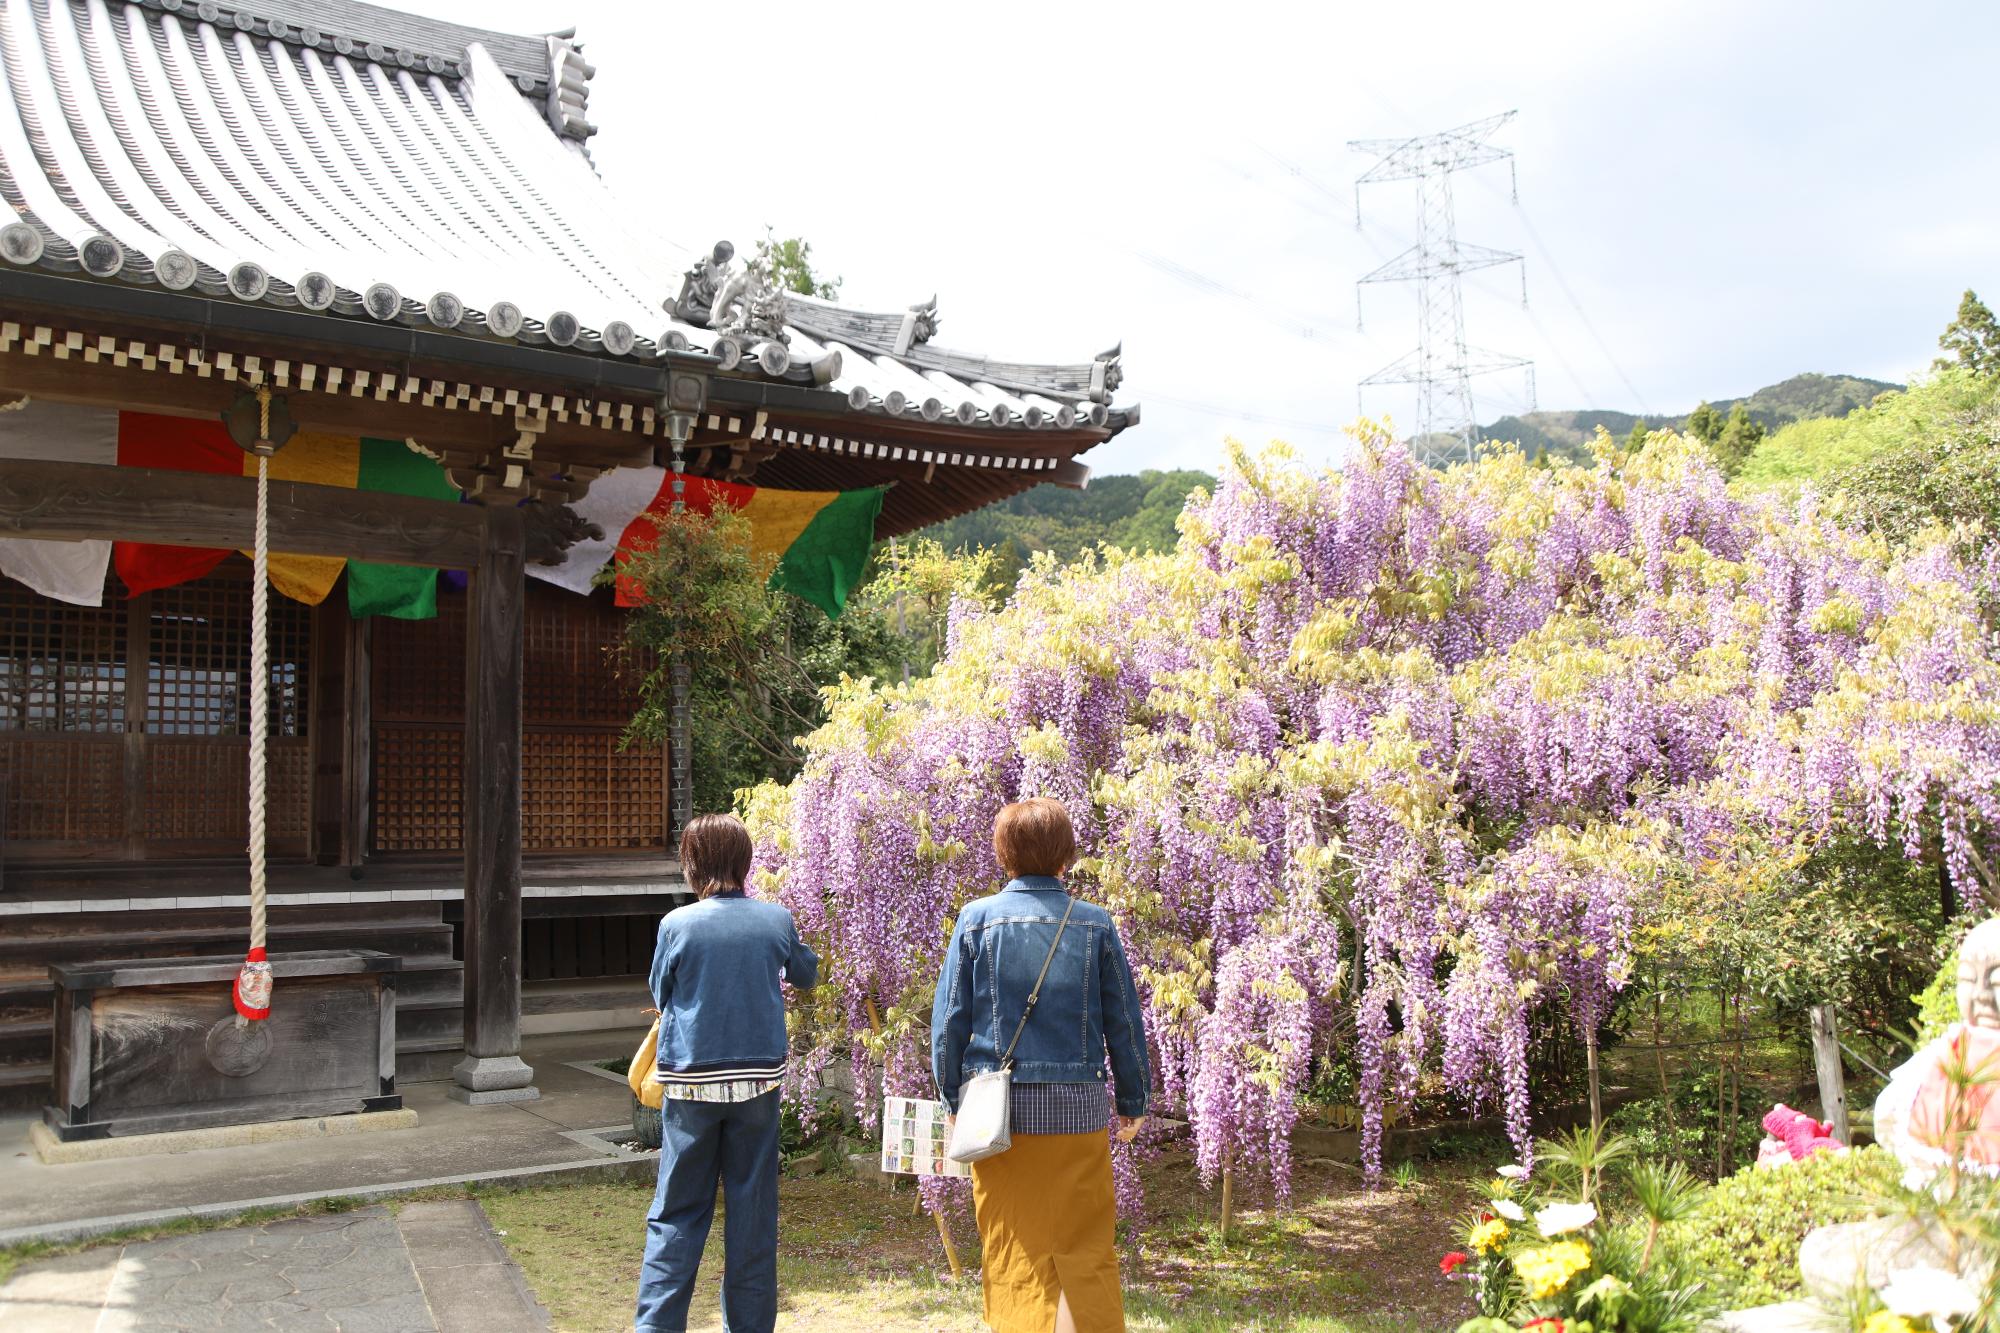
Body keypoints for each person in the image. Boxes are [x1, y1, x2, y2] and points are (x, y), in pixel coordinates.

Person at [931, 797, 1151, 1333]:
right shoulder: (1094, 924)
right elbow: (1123, 1020)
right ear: (1065, 856)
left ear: (1004, 854)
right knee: (1083, 1243)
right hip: (1075, 1113)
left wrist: (951, 1097)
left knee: (1012, 1244)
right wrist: (1132, 1102)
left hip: (997, 1118)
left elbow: (949, 1022)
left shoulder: (975, 920)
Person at [636, 813, 818, 1333]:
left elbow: (660, 992)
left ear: (692, 865)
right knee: (752, 1209)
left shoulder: (676, 925)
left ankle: (656, 1327)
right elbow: (807, 975)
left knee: (676, 1212)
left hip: (690, 1083)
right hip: (758, 1084)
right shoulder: (775, 920)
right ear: (745, 862)